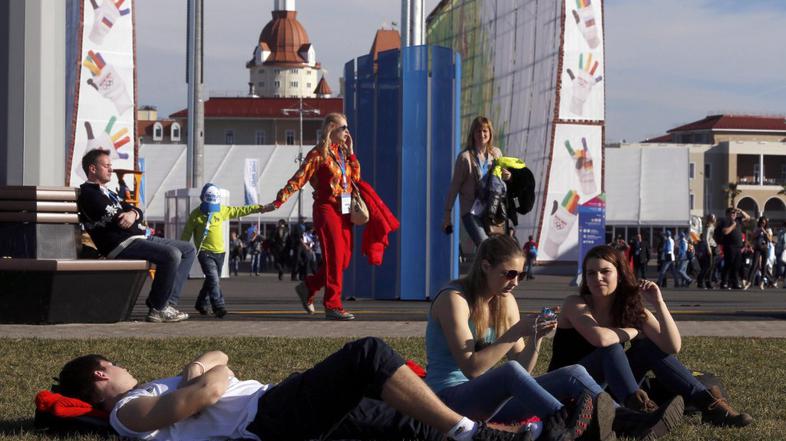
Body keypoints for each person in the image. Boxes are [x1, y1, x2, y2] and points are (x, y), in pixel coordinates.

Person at [55, 338, 535, 441]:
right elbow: (208, 392)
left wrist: (197, 367)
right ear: (100, 374)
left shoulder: (150, 390)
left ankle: (508, 436)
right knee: (367, 355)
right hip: (267, 418)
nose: (123, 366)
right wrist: (204, 377)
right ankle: (470, 432)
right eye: (114, 364)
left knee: (404, 423)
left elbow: (219, 355)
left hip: (275, 405)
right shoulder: (127, 412)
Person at [425, 234, 614, 440]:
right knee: (509, 371)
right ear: (486, 266)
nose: (515, 282)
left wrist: (536, 336)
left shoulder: (505, 300)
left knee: (574, 372)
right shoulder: (454, 299)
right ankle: (563, 425)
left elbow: (522, 369)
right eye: (509, 274)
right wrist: (516, 331)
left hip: (490, 403)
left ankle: (621, 418)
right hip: (448, 402)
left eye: (521, 275)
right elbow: (471, 368)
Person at [549, 245, 752, 433]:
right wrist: (634, 331)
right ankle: (641, 414)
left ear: (619, 275)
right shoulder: (575, 303)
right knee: (611, 349)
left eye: (605, 271)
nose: (597, 278)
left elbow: (672, 346)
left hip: (606, 389)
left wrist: (658, 303)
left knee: (646, 348)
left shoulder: (628, 309)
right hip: (569, 389)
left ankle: (710, 406)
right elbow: (600, 339)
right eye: (591, 273)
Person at [77, 149, 194, 323]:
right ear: (93, 169)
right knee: (172, 254)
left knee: (188, 249)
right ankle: (158, 308)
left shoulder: (108, 192)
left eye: (111, 165)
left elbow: (134, 210)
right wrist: (132, 216)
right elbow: (121, 220)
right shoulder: (90, 194)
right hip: (121, 244)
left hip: (137, 238)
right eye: (107, 166)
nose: (111, 169)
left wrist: (133, 214)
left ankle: (165, 303)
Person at [261, 113, 359, 320]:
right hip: (326, 209)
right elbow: (298, 179)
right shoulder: (317, 154)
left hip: (344, 210)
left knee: (344, 260)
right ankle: (333, 305)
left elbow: (355, 180)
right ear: (331, 128)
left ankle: (309, 286)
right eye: (343, 128)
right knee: (334, 258)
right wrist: (278, 201)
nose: (347, 132)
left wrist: (351, 154)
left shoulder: (342, 152)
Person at [180, 183, 265, 318]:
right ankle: (219, 306)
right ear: (202, 199)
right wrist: (181, 250)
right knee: (214, 279)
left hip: (220, 253)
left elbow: (240, 210)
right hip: (204, 252)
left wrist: (259, 208)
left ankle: (201, 303)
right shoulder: (195, 215)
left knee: (211, 280)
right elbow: (186, 234)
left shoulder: (222, 210)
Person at [442, 116, 509, 247]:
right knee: (484, 244)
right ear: (472, 134)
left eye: (485, 131)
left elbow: (501, 180)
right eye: (478, 131)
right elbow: (454, 187)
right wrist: (447, 215)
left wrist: (507, 176)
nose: (482, 134)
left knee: (496, 247)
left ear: (490, 133)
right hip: (471, 210)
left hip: (491, 208)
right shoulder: (464, 158)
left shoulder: (496, 153)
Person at [717, 207, 749, 289]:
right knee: (729, 264)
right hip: (729, 246)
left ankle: (734, 282)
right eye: (732, 213)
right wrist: (733, 225)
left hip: (738, 246)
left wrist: (741, 211)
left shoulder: (738, 220)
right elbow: (725, 232)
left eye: (735, 213)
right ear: (727, 214)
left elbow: (748, 217)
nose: (734, 214)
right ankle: (724, 282)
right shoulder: (725, 221)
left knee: (737, 265)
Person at [745, 216, 773, 290]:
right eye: (761, 223)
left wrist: (765, 232)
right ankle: (749, 282)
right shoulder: (757, 229)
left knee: (763, 266)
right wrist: (758, 232)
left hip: (765, 248)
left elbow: (770, 239)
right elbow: (752, 237)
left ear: (766, 223)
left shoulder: (768, 230)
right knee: (754, 265)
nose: (762, 224)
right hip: (757, 247)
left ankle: (762, 282)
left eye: (764, 223)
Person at [697, 214, 716, 289]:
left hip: (713, 246)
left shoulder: (712, 226)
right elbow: (706, 238)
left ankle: (708, 282)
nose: (714, 219)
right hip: (709, 247)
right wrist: (708, 248)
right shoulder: (708, 227)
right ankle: (700, 280)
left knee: (711, 266)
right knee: (708, 266)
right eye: (713, 218)